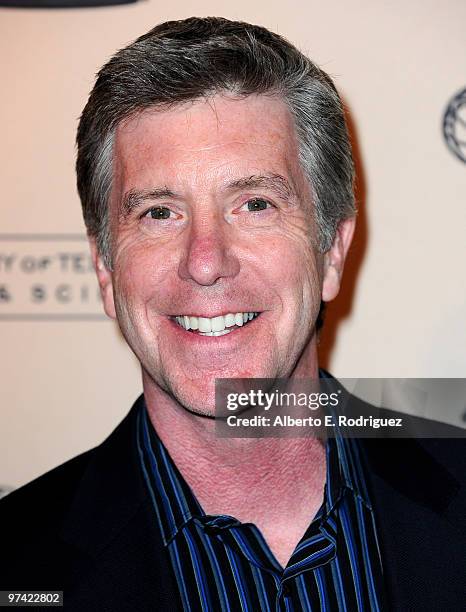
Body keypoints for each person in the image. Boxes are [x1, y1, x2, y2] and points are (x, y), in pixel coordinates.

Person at [1, 17, 464, 611]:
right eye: (159, 213)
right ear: (106, 270)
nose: (205, 262)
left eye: (254, 203)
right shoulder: (17, 563)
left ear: (330, 252)